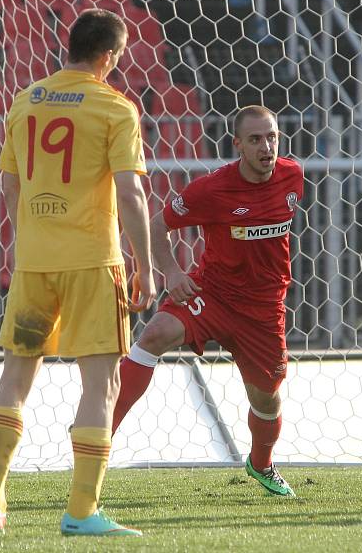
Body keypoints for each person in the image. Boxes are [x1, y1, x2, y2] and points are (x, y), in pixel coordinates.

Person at [0, 9, 155, 537]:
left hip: (35, 263)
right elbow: (131, 191)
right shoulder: (115, 107)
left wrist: (30, 234)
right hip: (92, 263)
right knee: (101, 383)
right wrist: (144, 264)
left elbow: (7, 182)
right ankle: (80, 512)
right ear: (108, 57)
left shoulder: (26, 100)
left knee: (15, 378)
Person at [112, 105, 303, 497]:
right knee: (154, 334)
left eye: (271, 137)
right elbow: (158, 225)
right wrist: (173, 273)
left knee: (266, 399)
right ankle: (98, 435)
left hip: (264, 311)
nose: (266, 146)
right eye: (255, 139)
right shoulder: (212, 189)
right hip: (213, 294)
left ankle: (261, 463)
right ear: (238, 145)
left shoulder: (292, 176)